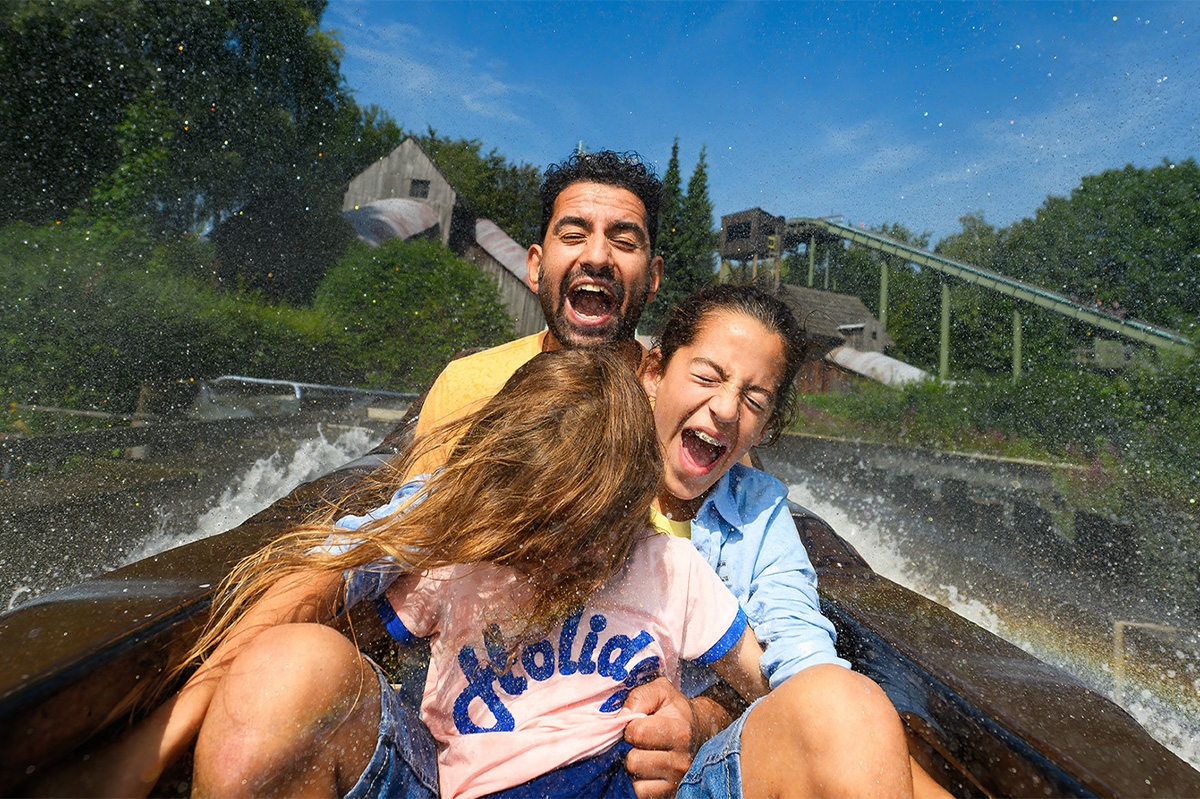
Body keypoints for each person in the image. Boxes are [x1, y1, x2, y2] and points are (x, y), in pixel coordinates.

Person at [48, 347, 773, 798]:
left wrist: (701, 715)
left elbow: (765, 681)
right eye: (526, 529)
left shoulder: (675, 559)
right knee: (288, 662)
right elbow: (358, 597)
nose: (544, 553)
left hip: (613, 771)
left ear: (622, 506)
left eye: (570, 533)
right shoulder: (473, 533)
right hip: (461, 778)